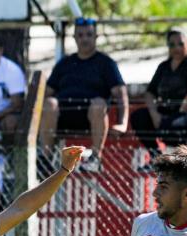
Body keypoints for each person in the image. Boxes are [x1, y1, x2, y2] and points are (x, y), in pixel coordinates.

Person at [39, 17, 128, 171]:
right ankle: (45, 161)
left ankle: (95, 158)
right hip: (62, 117)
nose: (84, 39)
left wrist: (123, 123)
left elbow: (120, 94)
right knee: (49, 103)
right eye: (80, 35)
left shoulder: (106, 63)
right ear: (74, 38)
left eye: (88, 35)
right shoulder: (65, 63)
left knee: (99, 104)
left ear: (96, 37)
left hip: (91, 119)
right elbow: (46, 92)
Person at [130, 28, 187, 163]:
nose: (176, 48)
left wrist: (185, 104)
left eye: (180, 44)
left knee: (169, 126)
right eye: (172, 44)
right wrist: (154, 114)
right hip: (171, 114)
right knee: (139, 117)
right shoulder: (164, 66)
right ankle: (156, 157)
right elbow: (150, 92)